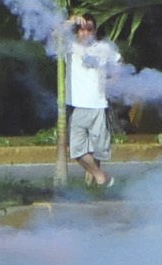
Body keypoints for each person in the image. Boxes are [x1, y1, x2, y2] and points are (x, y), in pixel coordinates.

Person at [64, 14, 121, 187]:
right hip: (77, 105)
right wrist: (71, 21)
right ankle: (100, 177)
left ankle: (95, 182)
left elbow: (119, 62)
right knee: (77, 150)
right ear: (77, 32)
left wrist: (114, 80)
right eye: (82, 29)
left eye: (89, 29)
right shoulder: (70, 46)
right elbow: (55, 34)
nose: (85, 33)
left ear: (95, 31)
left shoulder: (103, 48)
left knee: (100, 151)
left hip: (98, 105)